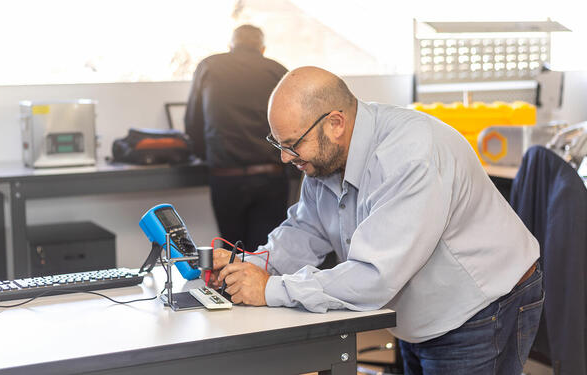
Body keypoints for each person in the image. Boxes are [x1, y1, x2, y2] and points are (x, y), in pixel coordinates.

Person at [211, 66, 543, 374]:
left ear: (335, 123)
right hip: (420, 312)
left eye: (292, 144)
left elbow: (373, 276)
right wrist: (246, 267)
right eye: (278, 144)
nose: (285, 157)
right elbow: (304, 230)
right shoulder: (324, 158)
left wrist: (270, 289)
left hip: (482, 307)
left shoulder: (410, 154)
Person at [184, 24, 289, 252]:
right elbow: (294, 121)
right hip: (271, 176)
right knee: (267, 252)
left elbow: (193, 120)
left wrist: (207, 155)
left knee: (233, 251)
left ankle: (230, 289)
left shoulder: (209, 66)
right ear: (262, 48)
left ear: (231, 45)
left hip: (226, 176)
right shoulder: (276, 70)